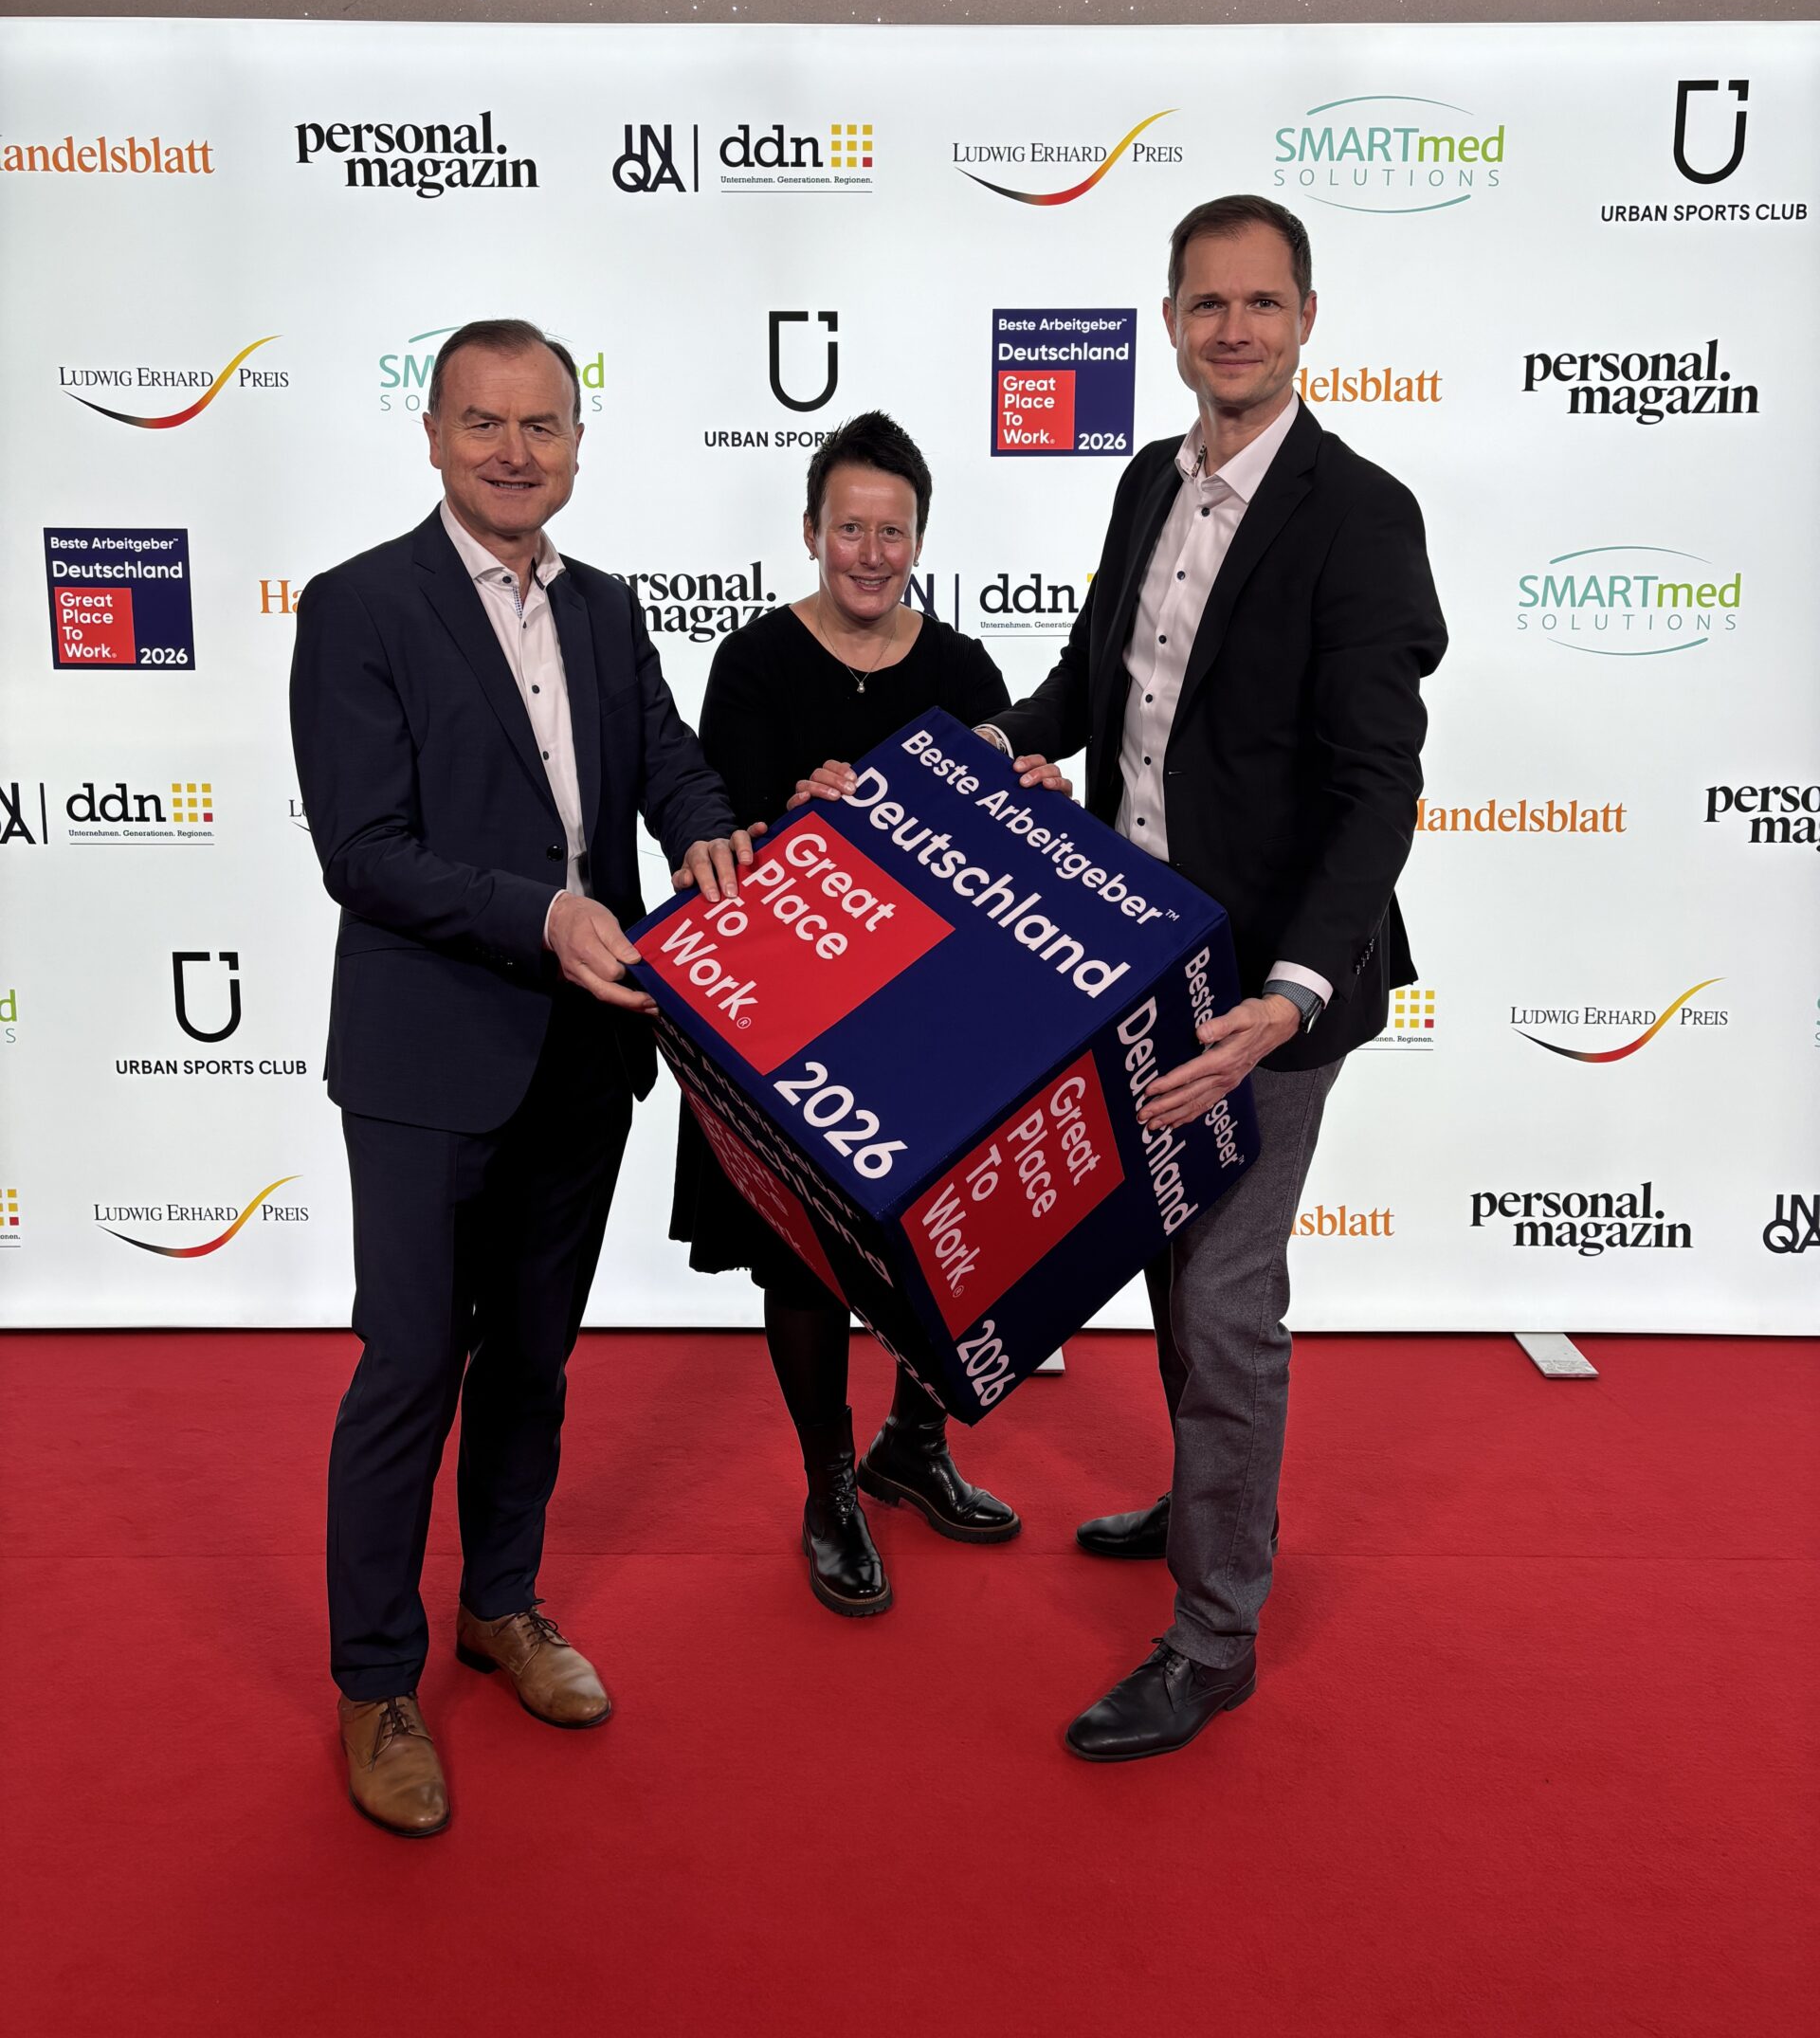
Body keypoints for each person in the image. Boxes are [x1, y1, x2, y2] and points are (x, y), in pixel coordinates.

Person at [979, 197, 1447, 1760]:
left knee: (1231, 1294)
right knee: (1175, 1261)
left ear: (1307, 316)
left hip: (1272, 991)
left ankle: (1215, 1633)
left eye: (1261, 302)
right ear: (1171, 320)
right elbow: (1096, 676)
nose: (1232, 328)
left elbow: (1377, 786)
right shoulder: (1144, 481)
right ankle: (1205, 1497)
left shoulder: (1360, 513)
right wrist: (996, 742)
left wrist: (1294, 990)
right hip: (1138, 956)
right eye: (1206, 303)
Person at [291, 318, 751, 1835]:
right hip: (428, 1058)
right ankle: (376, 1682)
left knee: (536, 1361)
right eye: (482, 422)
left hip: (583, 1052)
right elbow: (364, 852)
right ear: (431, 434)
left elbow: (665, 759)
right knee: (412, 1368)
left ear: (576, 443)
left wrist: (704, 824)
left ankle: (500, 1603)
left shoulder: (608, 610)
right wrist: (542, 914)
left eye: (540, 424)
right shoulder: (359, 606)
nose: (512, 450)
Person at [670, 411, 1023, 1617]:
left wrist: (1030, 792)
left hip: (929, 1019)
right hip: (793, 1022)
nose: (871, 554)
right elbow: (715, 851)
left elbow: (1000, 863)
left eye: (893, 531)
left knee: (945, 1235)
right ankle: (829, 1483)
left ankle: (912, 1444)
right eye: (849, 528)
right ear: (811, 531)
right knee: (804, 1256)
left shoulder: (966, 672)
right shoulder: (753, 661)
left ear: (920, 539)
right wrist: (791, 820)